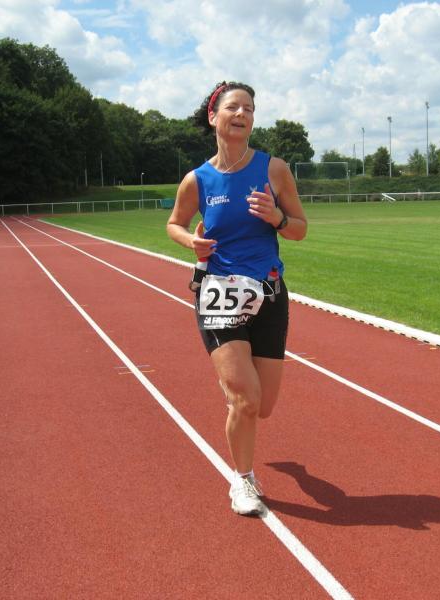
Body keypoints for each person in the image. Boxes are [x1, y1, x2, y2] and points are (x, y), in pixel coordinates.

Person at [166, 81, 307, 515]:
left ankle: (236, 388)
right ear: (214, 116)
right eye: (233, 107)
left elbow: (300, 229)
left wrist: (277, 217)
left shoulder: (274, 169)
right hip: (219, 293)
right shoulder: (198, 179)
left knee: (263, 406)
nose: (242, 113)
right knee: (245, 399)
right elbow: (174, 223)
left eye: (249, 107)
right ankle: (243, 479)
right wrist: (191, 242)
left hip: (269, 292)